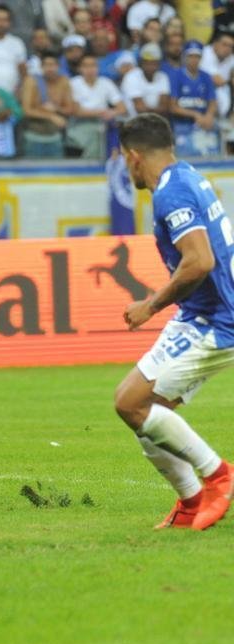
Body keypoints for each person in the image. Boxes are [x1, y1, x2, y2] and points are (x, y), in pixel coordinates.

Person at [112, 113, 234, 530]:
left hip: (217, 320)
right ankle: (190, 502)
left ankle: (217, 476)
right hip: (201, 313)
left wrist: (151, 304)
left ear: (133, 157)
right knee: (146, 411)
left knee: (132, 403)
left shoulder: (171, 193)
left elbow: (200, 260)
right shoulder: (186, 176)